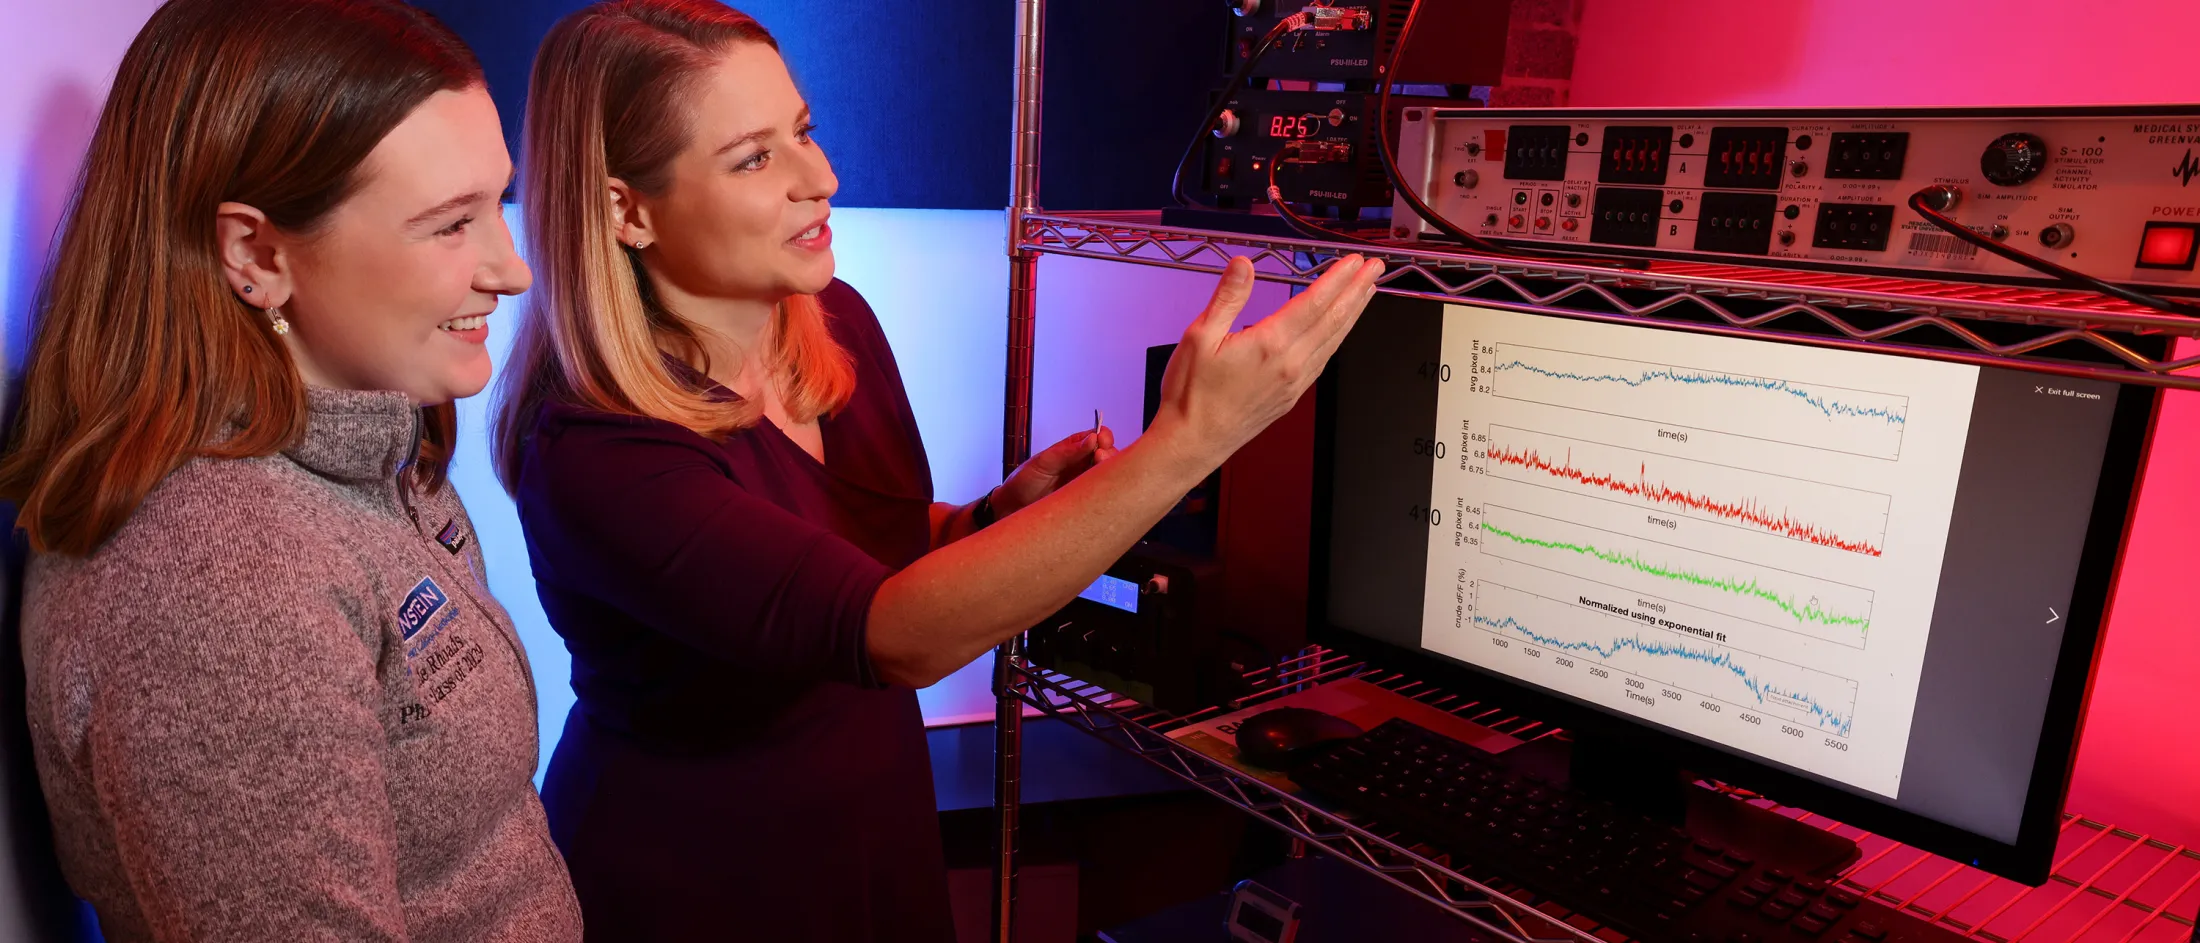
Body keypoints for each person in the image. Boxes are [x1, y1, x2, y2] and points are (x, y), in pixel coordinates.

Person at [494, 1, 1383, 938]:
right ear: (626, 209)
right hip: (703, 880)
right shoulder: (593, 444)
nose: (822, 178)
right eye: (754, 158)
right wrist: (1191, 440)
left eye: (804, 131)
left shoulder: (837, 321)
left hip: (872, 837)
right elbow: (892, 633)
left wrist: (986, 519)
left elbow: (846, 550)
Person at [0, 1, 583, 940]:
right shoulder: (214, 583)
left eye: (496, 205)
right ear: (256, 255)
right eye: (448, 226)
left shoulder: (376, 439)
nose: (511, 270)